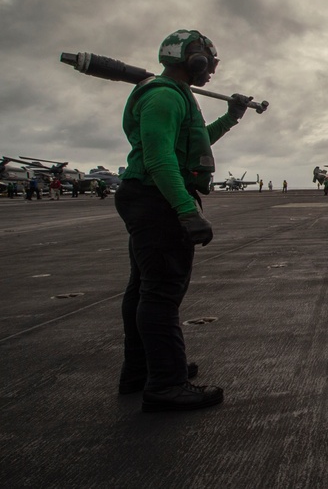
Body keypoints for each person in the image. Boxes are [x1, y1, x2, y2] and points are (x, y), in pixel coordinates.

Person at [114, 29, 254, 412]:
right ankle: (166, 384)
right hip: (156, 200)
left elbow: (196, 143)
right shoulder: (162, 96)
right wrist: (186, 211)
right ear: (194, 59)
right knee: (161, 293)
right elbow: (160, 159)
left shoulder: (173, 96)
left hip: (148, 198)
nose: (211, 70)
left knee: (143, 288)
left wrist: (232, 117)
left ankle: (142, 371)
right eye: (209, 61)